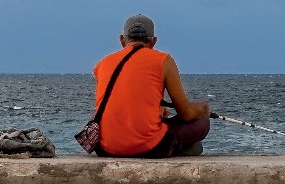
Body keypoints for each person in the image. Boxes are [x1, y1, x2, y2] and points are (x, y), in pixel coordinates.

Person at [89, 14, 211, 157]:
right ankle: (183, 147)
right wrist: (202, 109)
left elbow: (120, 101)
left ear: (122, 40)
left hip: (105, 148)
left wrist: (156, 111)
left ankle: (181, 146)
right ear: (153, 42)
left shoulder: (103, 64)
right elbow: (185, 114)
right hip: (150, 148)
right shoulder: (163, 60)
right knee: (202, 123)